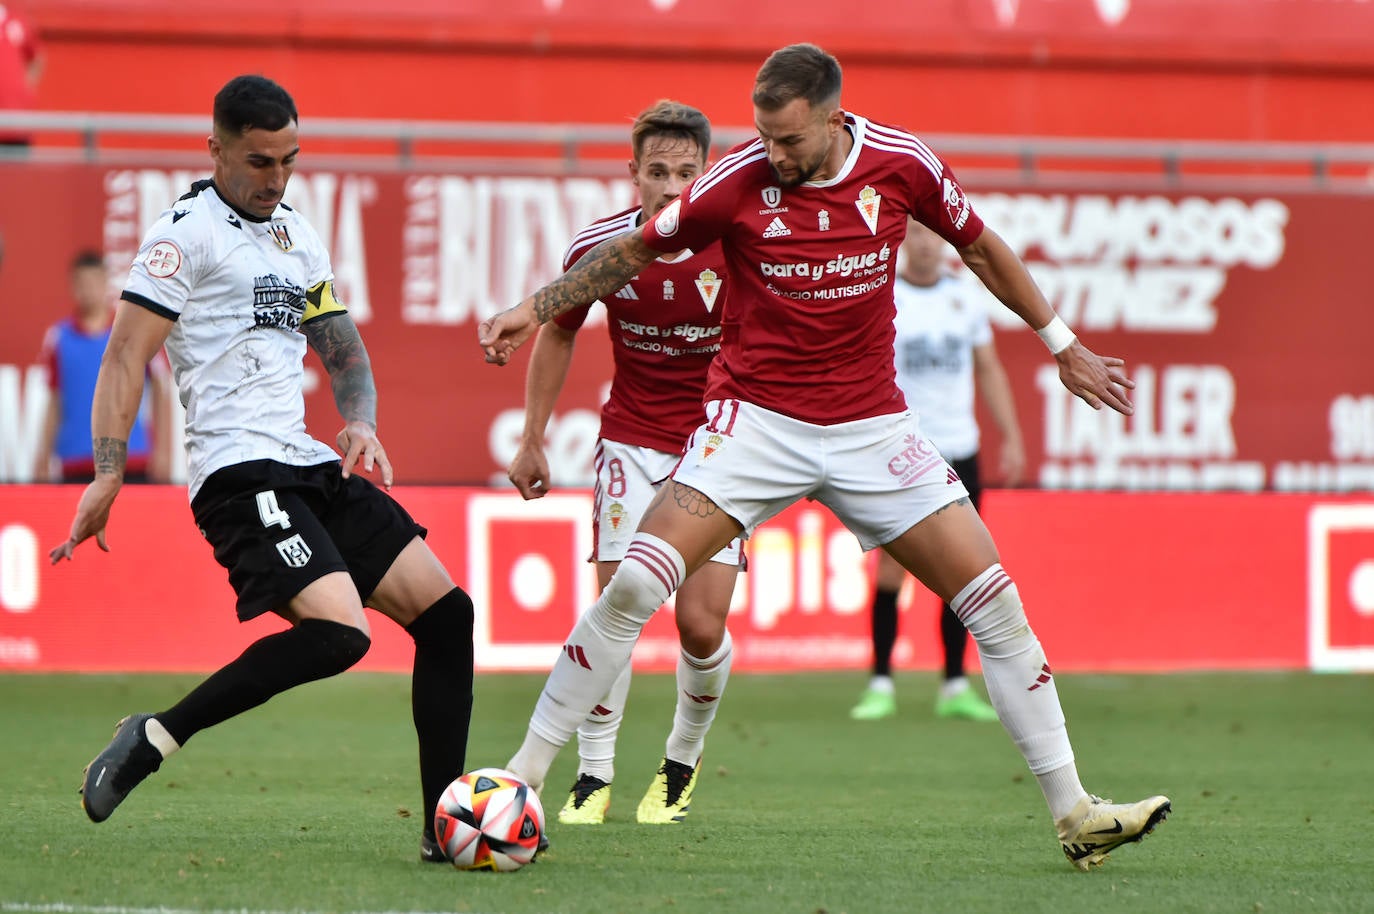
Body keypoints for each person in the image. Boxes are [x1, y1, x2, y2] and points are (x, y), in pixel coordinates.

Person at [479, 43, 1170, 870]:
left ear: (835, 121)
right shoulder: (733, 182)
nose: (773, 157)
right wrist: (532, 307)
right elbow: (633, 250)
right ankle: (520, 779)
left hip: (873, 429)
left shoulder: (902, 165)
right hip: (754, 427)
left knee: (994, 601)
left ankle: (1075, 812)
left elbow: (981, 247)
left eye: (790, 143)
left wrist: (1063, 345)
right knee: (633, 583)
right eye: (764, 138)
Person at [48, 75, 477, 865]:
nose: (276, 178)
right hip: (240, 476)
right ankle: (154, 736)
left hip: (307, 462)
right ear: (215, 150)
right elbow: (124, 355)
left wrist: (361, 419)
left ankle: (444, 828)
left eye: (289, 159)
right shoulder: (183, 238)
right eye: (259, 161)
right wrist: (108, 473)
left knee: (449, 617)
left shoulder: (296, 236)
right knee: (340, 635)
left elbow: (339, 342)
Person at [507, 99, 741, 827]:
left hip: (718, 449)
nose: (672, 188)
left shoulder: (737, 242)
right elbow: (557, 332)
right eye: (658, 172)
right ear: (633, 173)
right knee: (618, 604)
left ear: (707, 172)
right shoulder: (603, 248)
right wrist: (533, 436)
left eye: (686, 173)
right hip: (631, 440)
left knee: (701, 628)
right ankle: (594, 772)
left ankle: (682, 758)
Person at [849, 218, 1025, 723]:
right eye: (917, 236)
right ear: (904, 242)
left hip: (960, 449)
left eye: (933, 237)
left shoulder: (965, 299)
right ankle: (881, 681)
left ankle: (954, 684)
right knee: (891, 567)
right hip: (902, 451)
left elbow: (988, 367)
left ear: (943, 245)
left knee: (964, 568)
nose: (925, 246)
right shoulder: (884, 296)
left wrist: (1009, 433)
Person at [35, 249, 170, 484]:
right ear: (73, 285)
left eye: (94, 282)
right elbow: (55, 401)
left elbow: (160, 388)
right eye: (82, 283)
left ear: (105, 282)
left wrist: (164, 451)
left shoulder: (130, 331)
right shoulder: (59, 338)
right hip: (76, 461)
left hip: (130, 459)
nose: (88, 290)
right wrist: (43, 455)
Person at [0, 1, 43, 150]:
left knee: (16, 172)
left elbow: (36, 57)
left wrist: (25, 89)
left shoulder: (17, 23)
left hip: (16, 124)